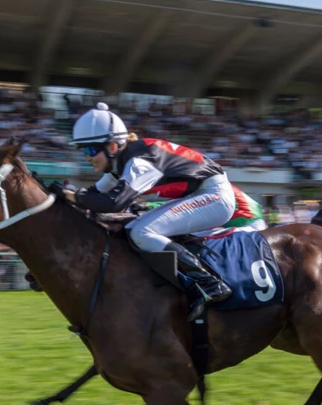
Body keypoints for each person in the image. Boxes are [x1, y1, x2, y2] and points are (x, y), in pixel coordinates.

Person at [68, 103, 234, 308]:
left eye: (91, 149)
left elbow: (113, 202)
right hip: (203, 193)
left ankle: (209, 282)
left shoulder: (139, 161)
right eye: (83, 151)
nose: (87, 157)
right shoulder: (120, 164)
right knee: (132, 228)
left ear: (112, 146)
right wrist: (61, 195)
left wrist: (75, 197)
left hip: (215, 196)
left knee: (141, 231)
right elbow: (93, 194)